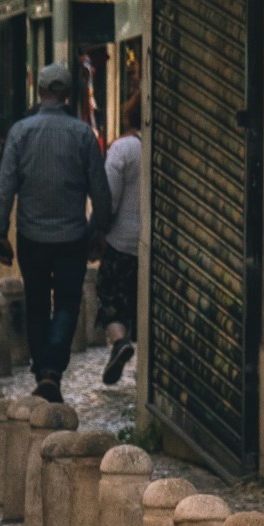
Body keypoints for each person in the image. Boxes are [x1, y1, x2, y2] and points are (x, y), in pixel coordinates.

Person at [0, 63, 113, 403]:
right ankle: (52, 370)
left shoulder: (21, 133)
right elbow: (99, 189)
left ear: (39, 92)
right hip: (72, 235)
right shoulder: (83, 135)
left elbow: (5, 187)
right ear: (68, 95)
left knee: (37, 301)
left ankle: (42, 366)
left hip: (32, 235)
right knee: (68, 304)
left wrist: (0, 232)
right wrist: (100, 228)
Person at [97, 92, 142, 386]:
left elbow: (108, 198)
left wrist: (99, 230)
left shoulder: (122, 149)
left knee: (111, 297)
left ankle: (119, 342)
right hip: (154, 247)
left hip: (121, 242)